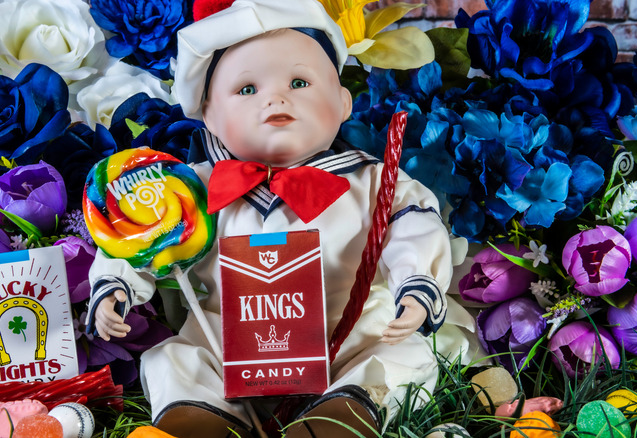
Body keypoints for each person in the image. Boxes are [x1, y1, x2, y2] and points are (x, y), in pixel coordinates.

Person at [85, 0, 455, 436]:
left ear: (342, 103)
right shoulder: (185, 190)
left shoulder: (375, 183)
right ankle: (203, 417)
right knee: (174, 359)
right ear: (210, 117)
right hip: (228, 345)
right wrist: (117, 287)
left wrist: (414, 285)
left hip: (344, 338)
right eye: (246, 90)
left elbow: (415, 225)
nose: (276, 97)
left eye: (299, 82)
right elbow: (139, 238)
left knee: (402, 357)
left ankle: (342, 413)